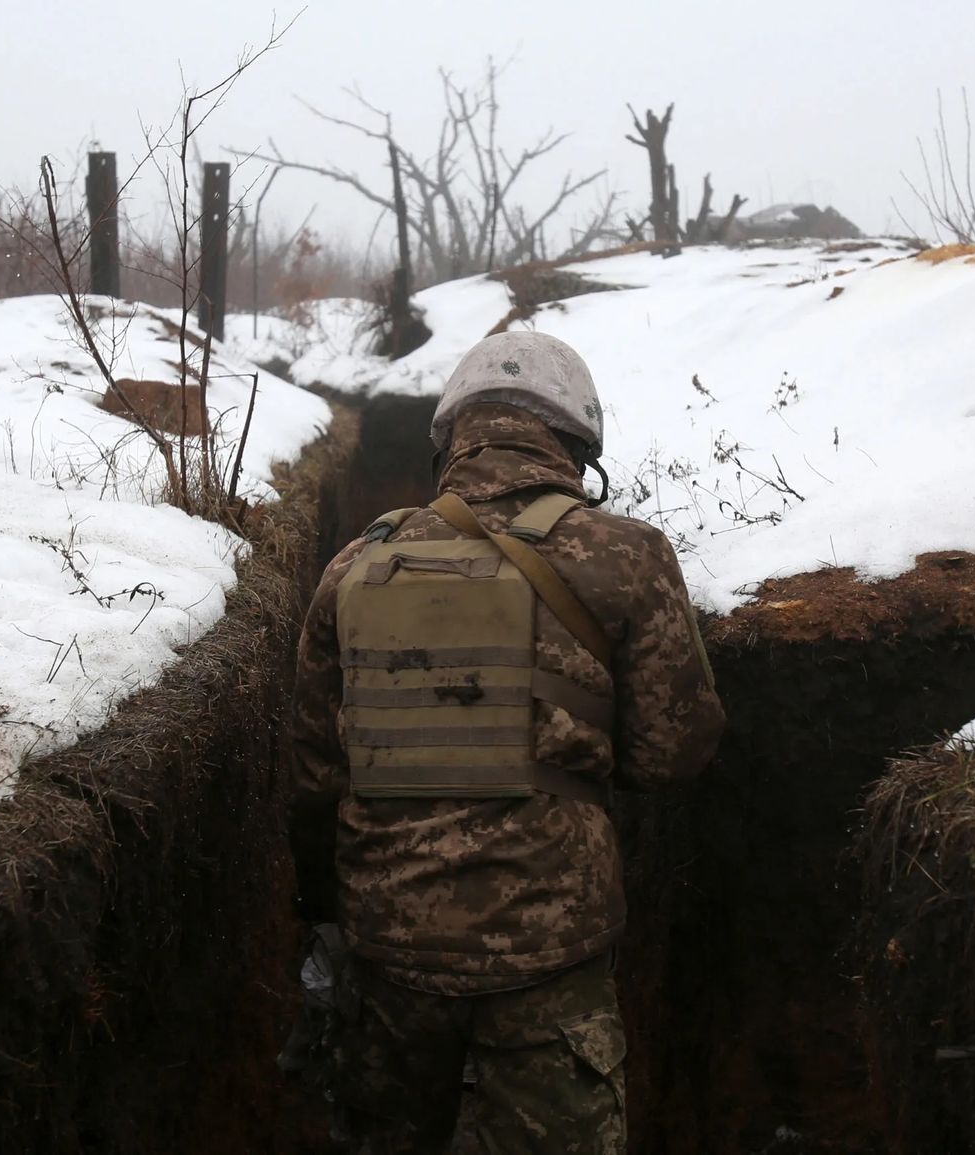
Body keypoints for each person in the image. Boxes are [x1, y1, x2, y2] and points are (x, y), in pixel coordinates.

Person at [290, 331, 725, 1153]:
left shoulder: (355, 564)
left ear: (451, 438)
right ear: (575, 446)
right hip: (551, 956)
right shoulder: (626, 557)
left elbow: (313, 778)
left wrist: (330, 923)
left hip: (390, 958)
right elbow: (675, 754)